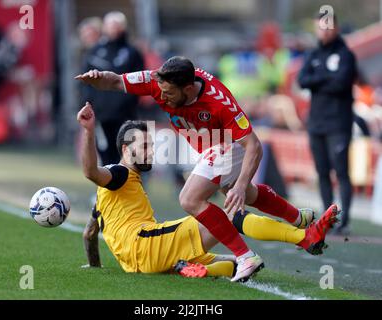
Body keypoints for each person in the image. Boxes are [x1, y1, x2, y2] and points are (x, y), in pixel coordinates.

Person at [76, 56, 336, 282]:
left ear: (188, 89)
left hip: (226, 144)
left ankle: (245, 256)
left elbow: (254, 145)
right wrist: (97, 78)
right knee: (246, 200)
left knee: (190, 198)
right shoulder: (158, 81)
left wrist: (242, 181)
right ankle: (301, 226)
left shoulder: (219, 101)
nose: (162, 97)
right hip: (209, 147)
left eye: (169, 94)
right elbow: (116, 81)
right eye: (161, 91)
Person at [298, 13, 357, 235]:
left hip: (338, 123)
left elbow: (341, 84)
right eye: (320, 28)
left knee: (341, 171)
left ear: (336, 28)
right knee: (322, 171)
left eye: (328, 27)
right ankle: (327, 216)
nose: (324, 31)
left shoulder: (346, 55)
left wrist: (317, 79)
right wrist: (325, 77)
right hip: (316, 123)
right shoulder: (312, 54)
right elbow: (302, 80)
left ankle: (345, 220)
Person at [81, 11, 144, 165]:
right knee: (105, 155)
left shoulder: (132, 53)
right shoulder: (95, 52)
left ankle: (131, 187)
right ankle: (107, 188)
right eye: (110, 25)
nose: (113, 29)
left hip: (125, 115)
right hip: (101, 115)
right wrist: (88, 104)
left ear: (123, 27)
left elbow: (139, 83)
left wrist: (124, 104)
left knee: (129, 155)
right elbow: (85, 82)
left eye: (116, 25)